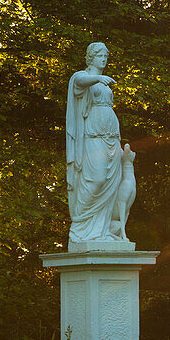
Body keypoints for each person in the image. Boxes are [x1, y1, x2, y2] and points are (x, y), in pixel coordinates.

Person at [66, 42, 127, 243]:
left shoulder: (102, 82)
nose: (104, 59)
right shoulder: (82, 77)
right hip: (93, 136)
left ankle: (102, 229)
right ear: (90, 57)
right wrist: (98, 78)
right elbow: (80, 83)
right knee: (98, 178)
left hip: (112, 136)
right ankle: (81, 224)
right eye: (100, 56)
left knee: (113, 182)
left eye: (105, 56)